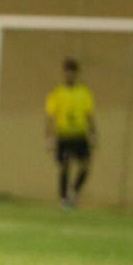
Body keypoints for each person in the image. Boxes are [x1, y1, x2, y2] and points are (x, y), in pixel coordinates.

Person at [45, 57, 96, 208]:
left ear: (76, 74)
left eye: (72, 72)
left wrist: (93, 133)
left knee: (85, 165)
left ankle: (74, 192)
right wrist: (49, 137)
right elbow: (51, 116)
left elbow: (89, 115)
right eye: (67, 72)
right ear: (64, 73)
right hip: (64, 135)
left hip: (80, 134)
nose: (70, 75)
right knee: (65, 166)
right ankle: (63, 198)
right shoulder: (57, 93)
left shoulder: (84, 92)